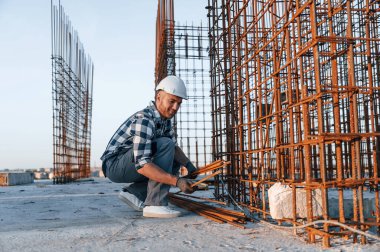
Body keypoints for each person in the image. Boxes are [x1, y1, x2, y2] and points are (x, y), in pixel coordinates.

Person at [100, 75, 198, 218]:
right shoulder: (144, 120)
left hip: (128, 162)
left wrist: (188, 165)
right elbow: (143, 165)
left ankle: (134, 193)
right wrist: (177, 181)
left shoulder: (165, 122)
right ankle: (155, 204)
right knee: (165, 145)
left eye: (179, 103)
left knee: (172, 153)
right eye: (172, 101)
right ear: (159, 97)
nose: (175, 107)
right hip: (114, 165)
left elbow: (174, 150)